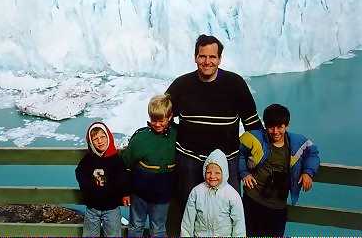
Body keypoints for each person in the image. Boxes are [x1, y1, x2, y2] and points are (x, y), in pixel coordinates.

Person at [166, 34, 263, 235]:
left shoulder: (235, 84)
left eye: (212, 57)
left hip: (227, 164)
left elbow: (252, 125)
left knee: (228, 212)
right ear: (195, 57)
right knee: (189, 211)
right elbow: (162, 118)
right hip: (190, 162)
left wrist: (259, 156)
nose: (207, 61)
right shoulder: (181, 85)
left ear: (219, 59)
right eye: (202, 56)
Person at [239, 103, 320, 236]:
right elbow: (240, 153)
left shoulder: (296, 142)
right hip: (253, 200)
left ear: (286, 125)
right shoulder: (256, 138)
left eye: (280, 127)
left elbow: (313, 153)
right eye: (271, 127)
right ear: (265, 125)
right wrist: (244, 173)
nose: (275, 131)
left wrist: (308, 172)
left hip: (277, 206)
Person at [120, 94, 177, 237]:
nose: (157, 124)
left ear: (170, 117)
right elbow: (126, 166)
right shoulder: (140, 138)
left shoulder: (177, 136)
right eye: (153, 120)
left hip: (163, 196)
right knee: (136, 226)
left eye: (161, 120)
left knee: (158, 228)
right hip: (139, 195)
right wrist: (126, 192)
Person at [75, 122, 129, 237]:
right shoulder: (88, 159)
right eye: (95, 139)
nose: (100, 141)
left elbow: (124, 178)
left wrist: (125, 194)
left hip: (112, 207)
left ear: (108, 137)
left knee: (113, 234)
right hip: (92, 208)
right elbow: (79, 173)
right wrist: (87, 190)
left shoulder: (116, 159)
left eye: (103, 137)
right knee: (90, 234)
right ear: (91, 142)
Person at [181, 149, 246, 237]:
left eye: (217, 173)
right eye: (208, 172)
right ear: (204, 172)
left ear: (224, 173)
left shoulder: (232, 195)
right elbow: (187, 222)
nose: (212, 176)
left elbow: (239, 224)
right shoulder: (196, 192)